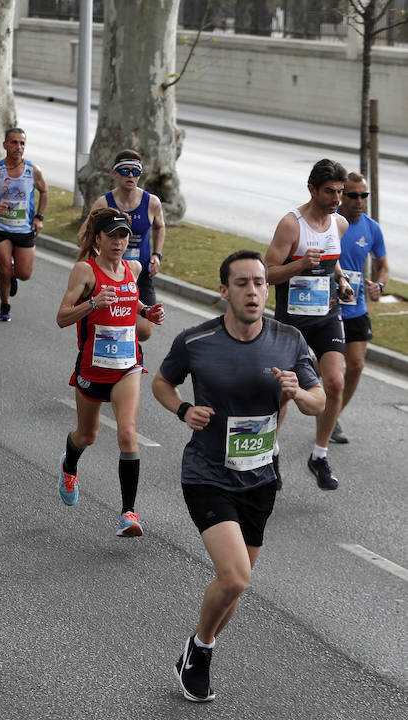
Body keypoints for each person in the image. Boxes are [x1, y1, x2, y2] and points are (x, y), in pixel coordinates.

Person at [152, 249, 324, 703]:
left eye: (260, 283)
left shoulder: (289, 340)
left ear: (268, 288)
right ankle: (203, 651)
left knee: (237, 582)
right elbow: (161, 384)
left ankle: (197, 645)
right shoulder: (196, 340)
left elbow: (319, 400)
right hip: (207, 473)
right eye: (243, 283)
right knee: (235, 578)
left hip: (261, 477)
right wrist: (184, 409)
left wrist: (299, 393)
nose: (253, 291)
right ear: (224, 290)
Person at [56, 208, 165, 535]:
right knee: (86, 435)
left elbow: (132, 304)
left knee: (127, 432)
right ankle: (69, 465)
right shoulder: (84, 272)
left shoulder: (133, 268)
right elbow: (62, 317)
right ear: (98, 238)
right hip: (93, 367)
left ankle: (128, 513)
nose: (119, 242)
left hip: (128, 365)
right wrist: (92, 303)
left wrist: (149, 311)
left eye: (123, 236)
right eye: (112, 236)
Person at [265, 158, 353, 491]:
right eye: (330, 191)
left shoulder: (339, 225)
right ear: (312, 189)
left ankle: (319, 456)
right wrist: (301, 263)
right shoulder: (292, 225)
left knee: (334, 382)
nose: (336, 199)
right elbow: (268, 274)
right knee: (284, 392)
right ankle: (271, 452)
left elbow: (334, 261)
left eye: (340, 192)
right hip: (292, 322)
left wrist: (341, 281)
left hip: (328, 317)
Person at [331, 171, 390, 443]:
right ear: (342, 194)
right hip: (327, 308)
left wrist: (380, 285)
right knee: (328, 372)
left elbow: (384, 266)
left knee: (355, 366)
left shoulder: (371, 228)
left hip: (356, 308)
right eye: (352, 195)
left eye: (363, 195)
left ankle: (332, 417)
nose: (359, 200)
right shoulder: (329, 222)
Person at [91, 149, 166, 342]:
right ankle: (123, 359)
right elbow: (85, 234)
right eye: (125, 171)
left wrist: (157, 254)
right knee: (111, 322)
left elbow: (160, 227)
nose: (131, 175)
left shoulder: (152, 203)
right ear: (115, 173)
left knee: (145, 331)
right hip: (111, 275)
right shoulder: (103, 203)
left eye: (136, 171)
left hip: (140, 274)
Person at [0, 127, 48, 321]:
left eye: (22, 143)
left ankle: (12, 275)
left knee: (24, 274)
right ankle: (5, 304)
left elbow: (45, 191)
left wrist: (39, 218)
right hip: (0, 228)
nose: (18, 147)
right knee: (2, 269)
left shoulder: (33, 171)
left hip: (24, 228)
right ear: (5, 145)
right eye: (14, 142)